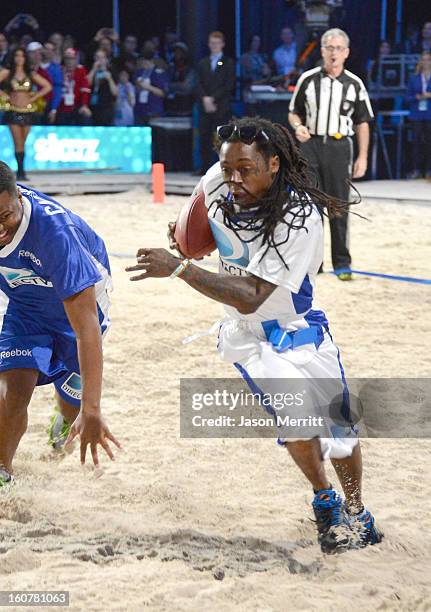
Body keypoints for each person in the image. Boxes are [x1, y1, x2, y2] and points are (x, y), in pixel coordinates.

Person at [125, 116, 383, 554]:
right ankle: (325, 501)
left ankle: (358, 511)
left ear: (275, 164)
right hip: (247, 335)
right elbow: (191, 232)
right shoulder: (218, 180)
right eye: (228, 169)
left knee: (342, 433)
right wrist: (185, 240)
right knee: (296, 416)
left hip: (297, 328)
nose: (234, 178)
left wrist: (183, 267)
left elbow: (253, 295)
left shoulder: (300, 216)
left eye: (246, 169)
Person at [0, 162, 121, 487]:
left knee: (74, 409)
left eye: (4, 217)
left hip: (78, 308)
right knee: (12, 389)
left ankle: (66, 417)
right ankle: (3, 473)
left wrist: (92, 409)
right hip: (24, 304)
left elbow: (86, 328)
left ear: (19, 198)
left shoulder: (55, 235)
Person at [288, 28, 374, 281]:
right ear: (322, 51)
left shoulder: (354, 84)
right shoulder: (308, 79)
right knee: (310, 207)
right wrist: (297, 127)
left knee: (338, 206)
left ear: (346, 53)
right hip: (311, 145)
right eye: (329, 48)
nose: (333, 53)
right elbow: (294, 112)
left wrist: (363, 156)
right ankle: (313, 264)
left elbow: (363, 122)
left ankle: (342, 263)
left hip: (339, 147)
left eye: (338, 48)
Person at [0, 48, 52, 180]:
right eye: (17, 55)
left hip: (28, 111)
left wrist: (34, 98)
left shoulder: (30, 74)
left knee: (23, 142)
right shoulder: (7, 73)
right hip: (13, 111)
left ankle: (22, 170)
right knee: (17, 142)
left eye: (22, 56)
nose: (19, 58)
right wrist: (4, 95)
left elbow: (47, 86)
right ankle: (20, 172)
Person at [196, 31, 235, 174]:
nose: (214, 46)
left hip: (221, 106)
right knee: (204, 136)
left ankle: (221, 168)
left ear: (222, 44)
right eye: (212, 43)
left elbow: (228, 85)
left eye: (217, 43)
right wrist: (205, 98)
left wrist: (213, 99)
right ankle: (204, 168)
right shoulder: (203, 63)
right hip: (205, 106)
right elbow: (198, 83)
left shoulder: (228, 63)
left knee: (220, 138)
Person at [406, 52, 431, 179]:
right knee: (416, 142)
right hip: (416, 114)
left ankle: (428, 170)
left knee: (429, 142)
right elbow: (407, 97)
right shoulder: (414, 77)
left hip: (429, 114)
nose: (426, 62)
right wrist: (416, 97)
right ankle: (416, 169)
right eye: (424, 60)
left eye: (428, 60)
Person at [56, 48, 92, 126]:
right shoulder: (59, 70)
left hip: (77, 105)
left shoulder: (81, 70)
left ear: (76, 59)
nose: (69, 61)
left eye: (72, 59)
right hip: (62, 107)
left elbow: (85, 89)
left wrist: (84, 105)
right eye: (67, 58)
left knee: (85, 116)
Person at [133, 50, 169, 126]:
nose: (143, 63)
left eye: (145, 61)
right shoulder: (139, 72)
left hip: (153, 111)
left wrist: (148, 87)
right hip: (140, 111)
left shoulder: (158, 73)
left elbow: (163, 93)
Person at [88, 49, 118, 126]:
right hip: (92, 107)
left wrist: (109, 78)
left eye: (102, 57)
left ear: (106, 60)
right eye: (97, 57)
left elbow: (115, 93)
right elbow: (87, 84)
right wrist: (94, 70)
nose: (99, 60)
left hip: (106, 107)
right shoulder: (91, 70)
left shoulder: (112, 72)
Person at [166, 42, 196, 116]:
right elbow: (165, 87)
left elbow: (187, 88)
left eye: (179, 52)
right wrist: (179, 86)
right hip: (171, 109)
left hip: (187, 109)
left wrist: (173, 87)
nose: (177, 54)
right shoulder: (171, 69)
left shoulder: (191, 69)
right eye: (175, 52)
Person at [41, 42, 64, 124]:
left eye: (51, 50)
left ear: (53, 53)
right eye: (46, 49)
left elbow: (57, 90)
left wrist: (53, 109)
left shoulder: (56, 69)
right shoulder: (34, 66)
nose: (48, 51)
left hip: (48, 104)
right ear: (42, 50)